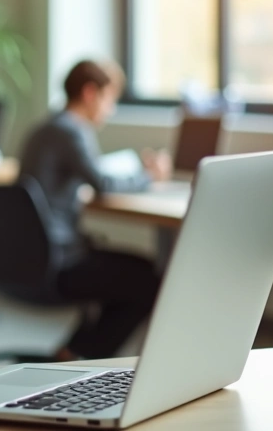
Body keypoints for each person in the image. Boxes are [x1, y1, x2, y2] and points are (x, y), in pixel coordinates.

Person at [19, 59, 170, 361]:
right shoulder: (71, 130)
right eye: (109, 99)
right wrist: (149, 176)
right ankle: (80, 356)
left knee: (129, 273)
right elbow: (103, 183)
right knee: (150, 280)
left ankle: (72, 352)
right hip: (59, 260)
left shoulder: (46, 127)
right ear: (90, 93)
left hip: (31, 256)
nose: (110, 110)